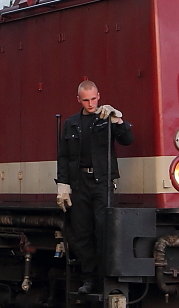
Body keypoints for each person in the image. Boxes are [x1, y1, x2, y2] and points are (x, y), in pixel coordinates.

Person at [55, 80, 134, 293]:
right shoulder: (71, 123)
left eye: (93, 99)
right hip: (79, 182)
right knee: (82, 232)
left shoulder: (107, 119)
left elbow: (128, 139)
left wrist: (118, 120)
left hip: (102, 181)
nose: (90, 104)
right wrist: (63, 183)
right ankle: (88, 279)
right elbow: (63, 156)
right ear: (78, 100)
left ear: (98, 96)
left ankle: (105, 278)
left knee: (104, 229)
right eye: (85, 100)